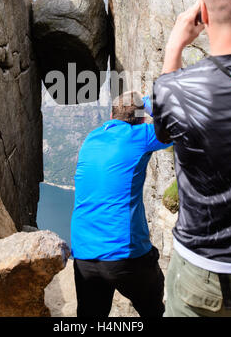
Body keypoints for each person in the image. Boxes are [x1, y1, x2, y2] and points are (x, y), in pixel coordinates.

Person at [153, 0, 231, 317]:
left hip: (204, 274)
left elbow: (164, 134)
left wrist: (174, 49)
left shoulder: (175, 90)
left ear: (203, 14)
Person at [71, 91, 172, 318]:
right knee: (153, 309)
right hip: (125, 255)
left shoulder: (91, 138)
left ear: (110, 114)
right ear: (142, 120)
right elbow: (175, 125)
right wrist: (148, 103)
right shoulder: (140, 135)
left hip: (84, 253)